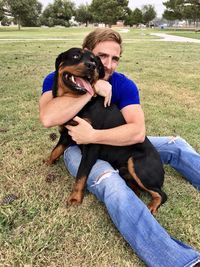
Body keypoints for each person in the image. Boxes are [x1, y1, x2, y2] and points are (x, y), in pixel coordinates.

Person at [39, 28, 200, 267]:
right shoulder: (59, 77)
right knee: (108, 179)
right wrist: (91, 90)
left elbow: (137, 132)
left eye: (115, 58)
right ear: (86, 54)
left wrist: (94, 134)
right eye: (102, 56)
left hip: (111, 140)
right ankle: (177, 261)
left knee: (175, 144)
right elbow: (48, 118)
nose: (109, 65)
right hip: (79, 147)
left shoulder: (123, 84)